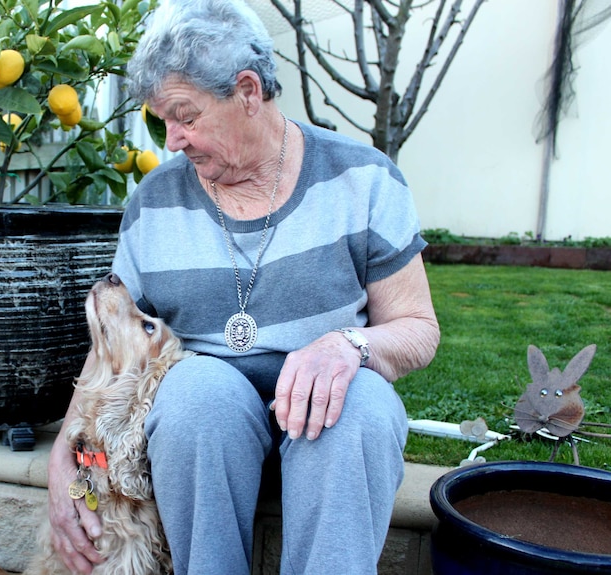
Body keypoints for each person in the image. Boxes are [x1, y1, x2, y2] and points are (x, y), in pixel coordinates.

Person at [46, 0, 440, 573]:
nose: (172, 139)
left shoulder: (363, 179)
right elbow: (111, 348)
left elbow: (418, 330)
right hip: (202, 442)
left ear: (249, 91)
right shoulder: (154, 204)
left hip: (328, 419)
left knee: (362, 406)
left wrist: (346, 346)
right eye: (162, 121)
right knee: (195, 395)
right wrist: (66, 459)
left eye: (185, 115)